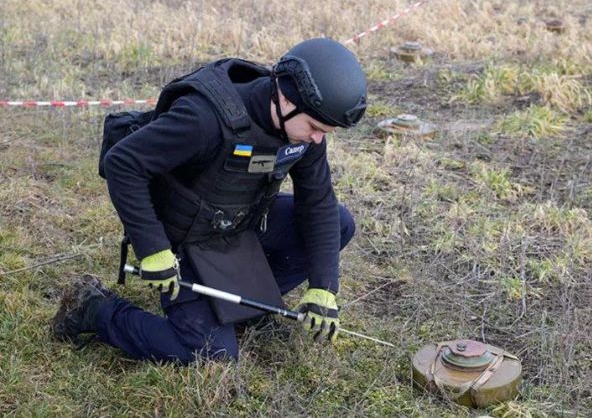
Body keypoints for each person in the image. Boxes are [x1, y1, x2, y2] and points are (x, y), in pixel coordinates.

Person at [51, 38, 368, 364]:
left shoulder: (303, 130)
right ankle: (94, 309)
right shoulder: (204, 119)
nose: (318, 139)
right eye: (315, 128)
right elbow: (124, 163)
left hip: (240, 222)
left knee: (340, 223)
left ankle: (249, 308)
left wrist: (324, 287)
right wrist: (153, 248)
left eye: (325, 133)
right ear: (286, 100)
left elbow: (318, 204)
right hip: (187, 238)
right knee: (208, 354)